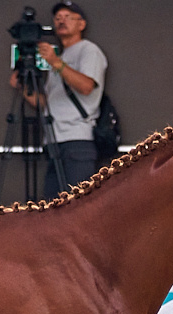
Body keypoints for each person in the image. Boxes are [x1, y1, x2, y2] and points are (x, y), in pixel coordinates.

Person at [8, 0, 107, 199]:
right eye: (58, 18)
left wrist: (55, 62)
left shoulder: (88, 50)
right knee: (53, 205)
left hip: (77, 141)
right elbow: (47, 103)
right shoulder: (61, 56)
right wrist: (22, 88)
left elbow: (87, 86)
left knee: (77, 206)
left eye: (68, 17)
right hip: (54, 140)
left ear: (81, 24)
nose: (61, 21)